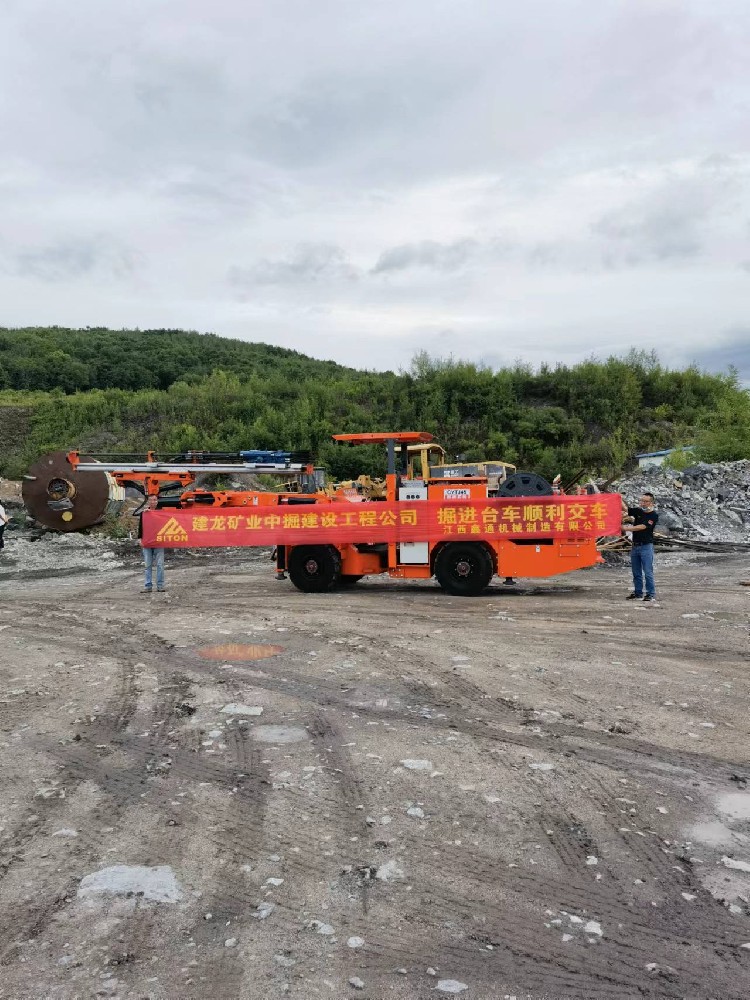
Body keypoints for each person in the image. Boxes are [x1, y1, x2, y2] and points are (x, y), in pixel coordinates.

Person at [622, 491, 658, 602]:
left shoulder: (653, 515)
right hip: (635, 546)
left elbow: (642, 527)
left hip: (646, 547)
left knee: (648, 572)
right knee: (636, 572)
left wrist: (626, 528)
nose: (642, 503)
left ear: (651, 503)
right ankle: (638, 593)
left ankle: (650, 594)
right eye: (641, 501)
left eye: (645, 501)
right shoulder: (638, 511)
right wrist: (618, 498)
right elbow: (626, 509)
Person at [137, 495, 166, 593]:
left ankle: (160, 586)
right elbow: (141, 527)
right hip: (147, 542)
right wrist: (140, 539)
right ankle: (148, 586)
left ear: (157, 501)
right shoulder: (144, 513)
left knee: (160, 565)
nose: (153, 502)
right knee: (147, 565)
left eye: (154, 500)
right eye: (151, 500)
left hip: (159, 542)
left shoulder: (162, 513)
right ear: (148, 501)